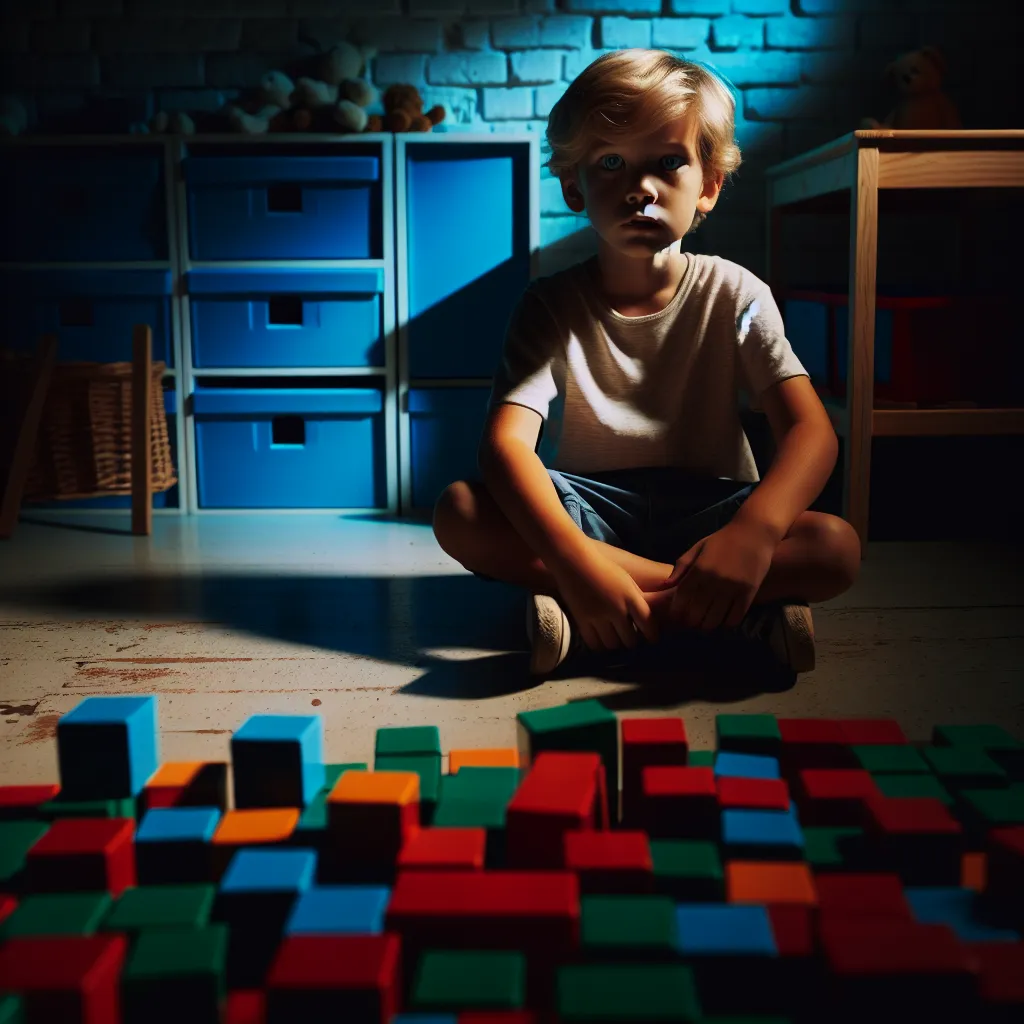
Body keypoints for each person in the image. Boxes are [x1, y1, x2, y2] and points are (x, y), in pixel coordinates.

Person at [432, 48, 861, 678]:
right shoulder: (549, 303)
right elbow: (506, 448)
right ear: (574, 185)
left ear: (708, 184)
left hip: (715, 514)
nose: (640, 189)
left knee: (835, 548)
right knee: (460, 512)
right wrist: (578, 561)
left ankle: (616, 613)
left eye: (667, 163)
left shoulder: (736, 292)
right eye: (611, 163)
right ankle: (721, 608)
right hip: (592, 513)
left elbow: (811, 431)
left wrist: (754, 535)